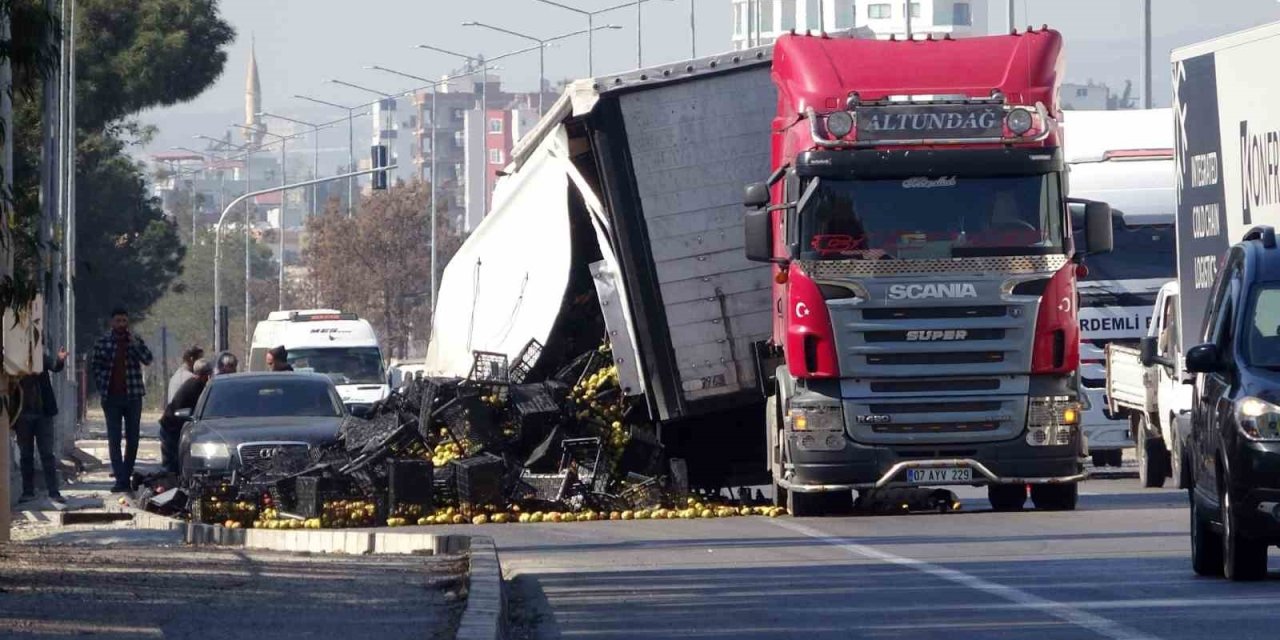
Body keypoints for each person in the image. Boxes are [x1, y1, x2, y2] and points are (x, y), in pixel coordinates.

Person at [90, 308, 154, 493]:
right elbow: (95, 366)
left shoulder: (134, 341)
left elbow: (148, 359)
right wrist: (104, 385)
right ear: (112, 322)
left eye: (124, 321)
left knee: (133, 438)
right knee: (114, 438)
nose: (121, 325)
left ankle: (126, 474)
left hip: (133, 396)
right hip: (111, 398)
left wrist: (134, 344)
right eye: (118, 321)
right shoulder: (103, 342)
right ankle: (120, 479)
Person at [15, 347, 69, 503]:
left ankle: (53, 492)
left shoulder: (41, 358)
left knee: (46, 454)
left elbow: (55, 366)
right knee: (26, 455)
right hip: (22, 414)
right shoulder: (14, 359)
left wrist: (60, 359)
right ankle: (28, 492)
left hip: (43, 413)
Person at [160, 358, 212, 474]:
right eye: (209, 374)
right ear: (206, 375)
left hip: (172, 426)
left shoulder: (193, 383)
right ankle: (165, 488)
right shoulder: (196, 386)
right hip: (171, 428)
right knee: (171, 468)